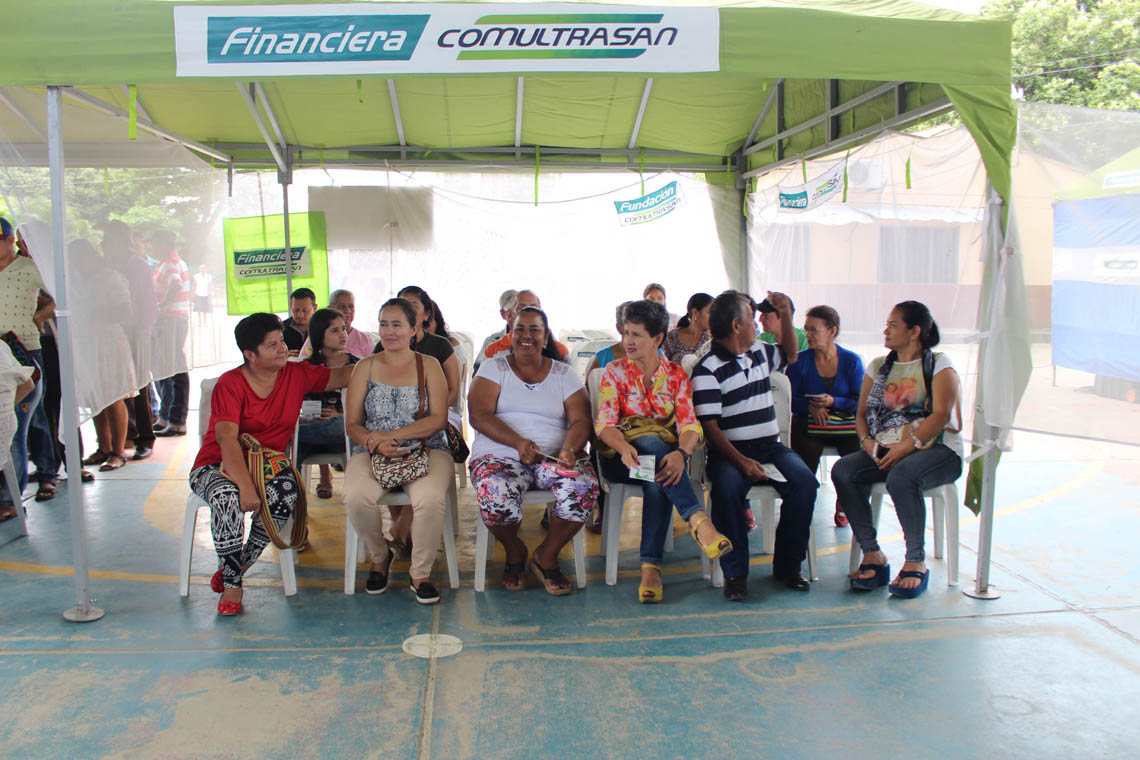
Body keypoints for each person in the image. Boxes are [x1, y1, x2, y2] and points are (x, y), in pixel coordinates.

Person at [189, 313, 354, 616]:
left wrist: (392, 358)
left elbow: (344, 376)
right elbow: (226, 440)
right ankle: (233, 586)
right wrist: (245, 486)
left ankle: (238, 565)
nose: (282, 349)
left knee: (286, 490)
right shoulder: (230, 384)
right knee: (227, 497)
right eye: (272, 345)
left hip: (267, 464)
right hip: (216, 464)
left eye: (281, 341)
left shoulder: (295, 374)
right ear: (250, 354)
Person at [594, 299, 730, 603]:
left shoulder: (676, 375)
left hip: (661, 463)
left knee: (658, 474)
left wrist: (682, 454)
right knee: (654, 448)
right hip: (621, 459)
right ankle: (698, 521)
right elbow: (604, 425)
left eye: (636, 334)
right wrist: (624, 447)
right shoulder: (614, 372)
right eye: (626, 333)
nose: (628, 341)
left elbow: (690, 425)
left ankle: (650, 569)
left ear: (657, 339)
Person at [692, 290, 819, 602]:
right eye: (751, 318)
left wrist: (786, 315)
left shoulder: (760, 351)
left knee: (804, 483)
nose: (757, 323)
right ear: (737, 325)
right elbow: (711, 427)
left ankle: (787, 567)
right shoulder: (707, 369)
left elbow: (790, 354)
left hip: (770, 448)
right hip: (729, 452)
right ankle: (736, 574)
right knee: (726, 490)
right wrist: (742, 461)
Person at [832, 301, 962, 599]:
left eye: (893, 325)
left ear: (914, 332)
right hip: (887, 448)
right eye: (887, 325)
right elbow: (861, 414)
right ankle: (872, 554)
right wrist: (866, 441)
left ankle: (915, 559)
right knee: (844, 471)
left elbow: (941, 415)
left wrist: (908, 445)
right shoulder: (878, 366)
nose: (886, 331)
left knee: (902, 476)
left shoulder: (939, 364)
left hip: (937, 450)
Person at [468, 306, 599, 594]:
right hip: (499, 456)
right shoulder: (493, 368)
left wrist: (569, 449)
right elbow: (479, 415)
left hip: (553, 458)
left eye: (534, 330)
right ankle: (514, 550)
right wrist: (518, 442)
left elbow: (581, 420)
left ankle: (546, 555)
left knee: (583, 487)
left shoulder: (563, 374)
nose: (526, 336)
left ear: (546, 336)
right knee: (494, 491)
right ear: (510, 335)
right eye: (520, 329)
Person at [343, 298, 451, 604]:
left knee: (430, 499)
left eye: (397, 325)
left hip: (426, 447)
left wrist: (394, 436)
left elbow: (438, 419)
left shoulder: (429, 366)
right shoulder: (364, 367)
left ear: (414, 329)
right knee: (355, 496)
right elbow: (352, 423)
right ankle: (380, 556)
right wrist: (375, 442)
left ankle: (420, 574)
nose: (389, 332)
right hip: (372, 450)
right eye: (383, 324)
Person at [785, 305, 865, 528]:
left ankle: (846, 500)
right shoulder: (799, 361)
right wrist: (810, 406)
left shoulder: (851, 361)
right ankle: (802, 503)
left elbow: (860, 400)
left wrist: (834, 402)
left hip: (844, 423)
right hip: (809, 422)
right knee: (805, 454)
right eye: (806, 329)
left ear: (832, 331)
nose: (808, 335)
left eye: (814, 330)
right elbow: (788, 398)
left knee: (856, 453)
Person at [0, 216, 58, 508]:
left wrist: (41, 314)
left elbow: (61, 294)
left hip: (24, 350)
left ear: (10, 241)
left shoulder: (30, 268)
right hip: (0, 354)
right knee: (7, 421)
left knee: (26, 419)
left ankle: (31, 484)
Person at [67, 238, 137, 472]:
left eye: (79, 261)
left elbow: (126, 312)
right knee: (96, 396)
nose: (77, 266)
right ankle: (103, 447)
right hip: (88, 343)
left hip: (109, 342)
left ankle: (118, 452)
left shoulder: (111, 277)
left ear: (89, 257)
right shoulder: (79, 280)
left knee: (114, 395)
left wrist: (95, 314)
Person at [102, 222, 159, 461]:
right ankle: (128, 435)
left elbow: (148, 302)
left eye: (108, 239)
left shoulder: (138, 266)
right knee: (119, 386)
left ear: (121, 241)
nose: (104, 244)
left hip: (136, 332)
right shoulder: (105, 265)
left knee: (140, 385)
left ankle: (145, 439)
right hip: (112, 334)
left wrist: (143, 331)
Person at [298, 308, 358, 500]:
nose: (343, 335)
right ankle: (294, 508)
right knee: (292, 447)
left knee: (337, 426)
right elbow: (302, 405)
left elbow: (365, 410)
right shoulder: (307, 368)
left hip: (344, 432)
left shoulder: (357, 366)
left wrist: (340, 416)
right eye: (335, 330)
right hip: (312, 430)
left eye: (343, 329)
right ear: (319, 334)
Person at [150, 229, 191, 437]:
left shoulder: (170, 263)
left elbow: (175, 284)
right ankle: (166, 416)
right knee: (167, 369)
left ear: (163, 243)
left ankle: (176, 421)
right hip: (171, 320)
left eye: (154, 243)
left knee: (175, 370)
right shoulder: (169, 262)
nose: (151, 247)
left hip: (171, 319)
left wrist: (161, 306)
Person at [480, 290, 570, 362]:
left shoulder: (560, 351)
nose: (528, 313)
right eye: (521, 308)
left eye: (534, 307)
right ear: (510, 313)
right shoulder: (493, 349)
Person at [0, 340, 34, 522]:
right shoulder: (1, 346)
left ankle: (9, 502)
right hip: (6, 425)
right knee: (18, 441)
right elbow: (28, 385)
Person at [298, 289, 376, 359]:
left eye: (351, 307)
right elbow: (303, 364)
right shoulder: (318, 336)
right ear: (330, 309)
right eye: (342, 307)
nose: (348, 311)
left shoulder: (366, 340)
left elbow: (372, 367)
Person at [473, 289, 517, 374]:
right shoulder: (490, 342)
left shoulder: (538, 339)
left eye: (517, 309)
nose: (514, 314)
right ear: (503, 314)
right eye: (509, 311)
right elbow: (477, 373)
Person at [662, 292, 713, 364]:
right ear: (695, 312)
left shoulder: (713, 339)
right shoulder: (671, 337)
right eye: (710, 312)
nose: (713, 317)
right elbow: (663, 365)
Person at [282, 287, 317, 356]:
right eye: (296, 310)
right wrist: (283, 355)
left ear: (315, 308)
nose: (300, 315)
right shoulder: (281, 329)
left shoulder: (322, 328)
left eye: (305, 310)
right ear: (290, 307)